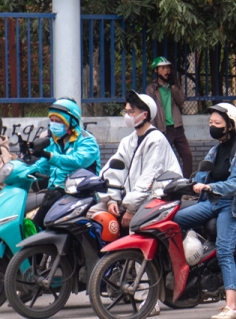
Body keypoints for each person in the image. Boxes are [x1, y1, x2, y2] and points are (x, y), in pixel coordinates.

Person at [174, 103, 236, 319]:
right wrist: (182, 185)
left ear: (231, 126)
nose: (212, 126)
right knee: (175, 220)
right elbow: (201, 176)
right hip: (213, 202)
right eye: (210, 123)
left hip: (234, 205)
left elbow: (235, 184)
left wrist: (210, 188)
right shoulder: (216, 149)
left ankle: (232, 307)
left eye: (217, 123)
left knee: (224, 250)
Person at [98, 90, 182, 227]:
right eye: (126, 112)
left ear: (144, 115)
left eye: (131, 112)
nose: (127, 116)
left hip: (156, 199)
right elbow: (114, 169)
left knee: (135, 228)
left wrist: (131, 209)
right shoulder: (128, 141)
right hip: (134, 199)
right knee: (94, 214)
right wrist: (112, 199)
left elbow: (148, 177)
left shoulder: (156, 140)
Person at [33, 98, 101, 229]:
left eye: (58, 121)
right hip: (55, 194)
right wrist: (25, 169)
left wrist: (49, 155)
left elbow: (76, 161)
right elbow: (43, 165)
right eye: (51, 121)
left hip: (80, 198)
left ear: (72, 122)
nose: (53, 125)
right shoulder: (55, 141)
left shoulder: (87, 141)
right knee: (36, 227)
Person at [146, 56, 194, 179]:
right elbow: (150, 110)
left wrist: (173, 86)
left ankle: (186, 183)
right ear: (156, 71)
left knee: (187, 156)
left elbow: (181, 100)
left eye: (168, 67)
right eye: (163, 68)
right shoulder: (152, 89)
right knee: (162, 158)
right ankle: (163, 184)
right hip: (163, 129)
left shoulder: (173, 85)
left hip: (177, 127)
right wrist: (153, 130)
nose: (166, 71)